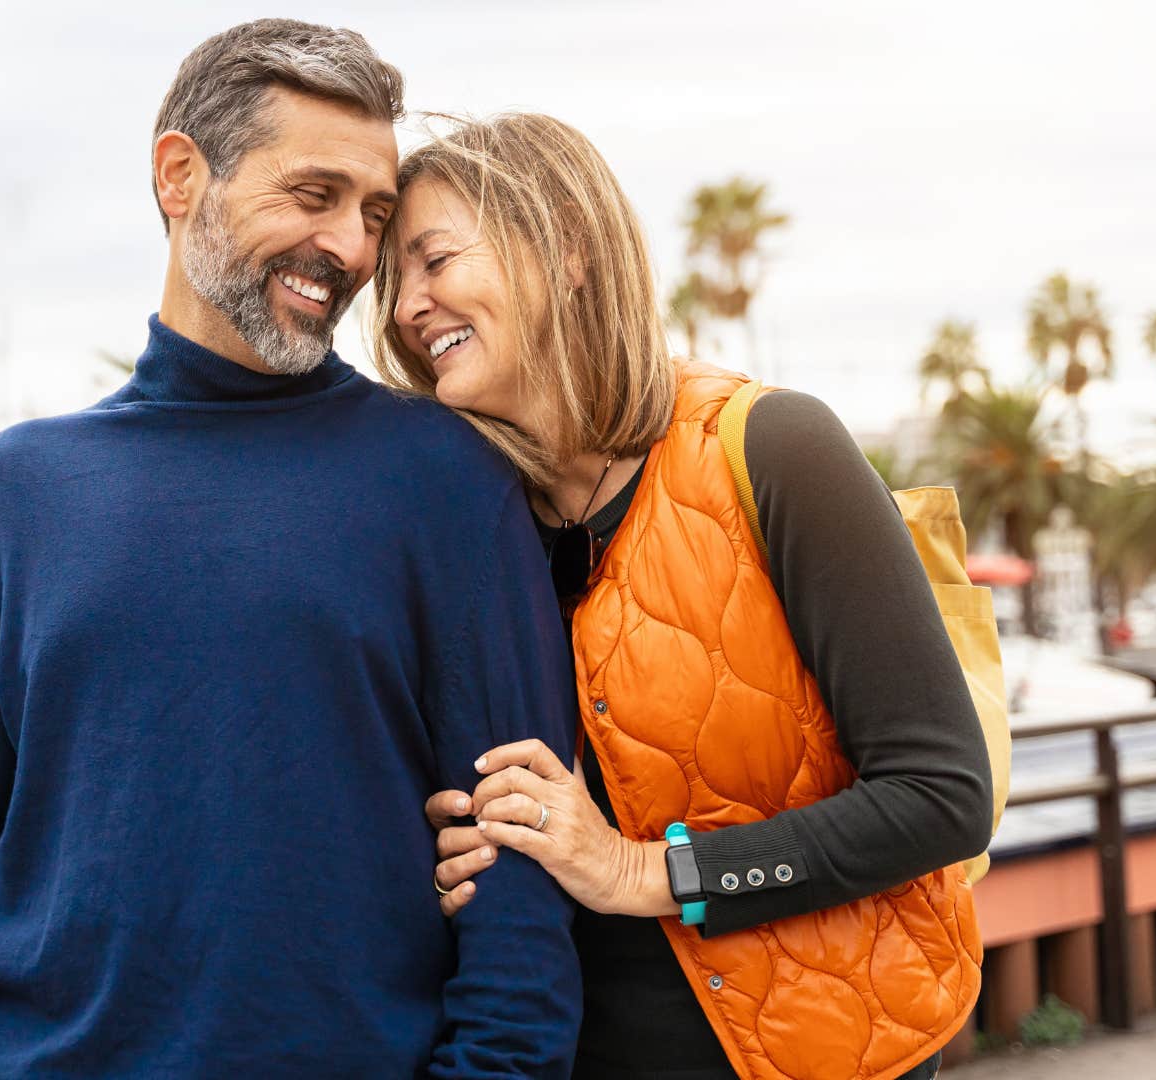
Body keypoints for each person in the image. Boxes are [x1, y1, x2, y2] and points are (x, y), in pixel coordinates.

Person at [0, 23, 582, 1079]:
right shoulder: (17, 493)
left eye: (374, 213)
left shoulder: (446, 479)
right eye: (313, 194)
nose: (349, 248)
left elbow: (518, 884)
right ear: (181, 175)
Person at [376, 113, 992, 1080]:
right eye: (394, 279)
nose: (408, 305)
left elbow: (943, 798)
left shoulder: (774, 448)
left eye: (434, 259)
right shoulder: (468, 525)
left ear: (567, 249)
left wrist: (641, 871)